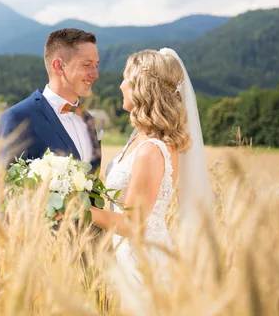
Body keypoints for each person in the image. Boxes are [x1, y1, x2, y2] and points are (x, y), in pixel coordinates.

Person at [90, 48, 214, 288]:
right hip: (125, 252)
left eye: (126, 78)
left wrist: (77, 208)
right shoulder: (139, 137)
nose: (120, 86)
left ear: (142, 87)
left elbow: (131, 224)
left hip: (141, 260)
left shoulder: (150, 150)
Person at [0, 28, 102, 173]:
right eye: (87, 65)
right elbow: (6, 187)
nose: (95, 74)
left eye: (96, 65)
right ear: (59, 66)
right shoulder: (18, 118)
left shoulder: (87, 119)